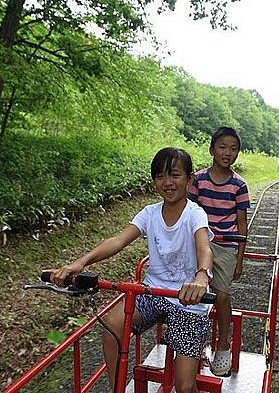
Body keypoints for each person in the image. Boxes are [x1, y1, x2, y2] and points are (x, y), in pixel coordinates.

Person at [50, 147, 214, 393]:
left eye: (175, 175)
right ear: (154, 181)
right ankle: (117, 389)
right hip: (154, 293)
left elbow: (204, 248)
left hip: (188, 299)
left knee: (184, 385)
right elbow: (118, 240)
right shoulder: (149, 213)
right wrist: (81, 262)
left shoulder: (194, 214)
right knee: (113, 325)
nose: (167, 182)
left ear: (189, 179)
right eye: (160, 176)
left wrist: (201, 277)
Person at [187, 126, 250, 376]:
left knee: (222, 295)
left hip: (225, 245)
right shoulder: (199, 180)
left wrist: (240, 258)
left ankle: (223, 344)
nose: (227, 153)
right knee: (193, 292)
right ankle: (193, 340)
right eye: (222, 147)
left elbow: (242, 223)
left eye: (233, 149)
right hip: (200, 240)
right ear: (212, 149)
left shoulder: (239, 185)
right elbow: (188, 213)